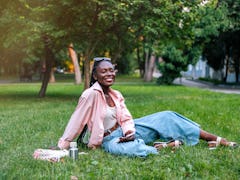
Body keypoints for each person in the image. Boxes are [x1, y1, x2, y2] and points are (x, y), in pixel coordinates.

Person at [57, 57, 237, 157]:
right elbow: (76, 121)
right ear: (95, 76)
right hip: (108, 139)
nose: (109, 73)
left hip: (124, 132)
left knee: (167, 116)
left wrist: (129, 132)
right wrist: (64, 145)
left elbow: (126, 119)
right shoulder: (90, 94)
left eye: (111, 70)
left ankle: (214, 139)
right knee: (128, 149)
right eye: (104, 71)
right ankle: (160, 147)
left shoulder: (116, 94)